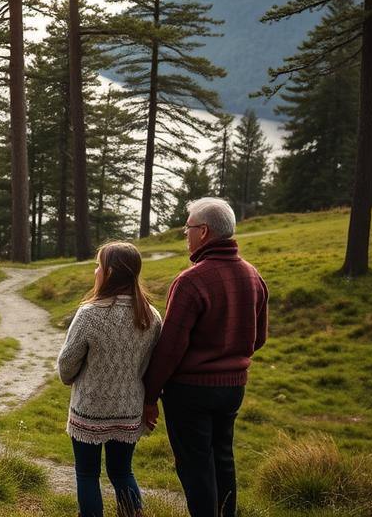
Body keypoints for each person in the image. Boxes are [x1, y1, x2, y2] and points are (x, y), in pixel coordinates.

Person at [142, 197, 269, 517]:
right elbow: (259, 338)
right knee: (223, 460)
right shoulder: (252, 275)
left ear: (204, 231)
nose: (185, 234)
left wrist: (150, 394)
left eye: (188, 228)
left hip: (190, 392)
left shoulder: (191, 280)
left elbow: (170, 348)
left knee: (196, 467)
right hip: (233, 388)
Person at [57, 241, 162, 517]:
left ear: (111, 271)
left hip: (89, 409)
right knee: (122, 472)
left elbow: (67, 364)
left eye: (98, 265)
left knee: (87, 474)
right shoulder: (151, 317)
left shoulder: (90, 314)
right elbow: (151, 365)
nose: (95, 271)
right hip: (129, 410)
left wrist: (70, 378)